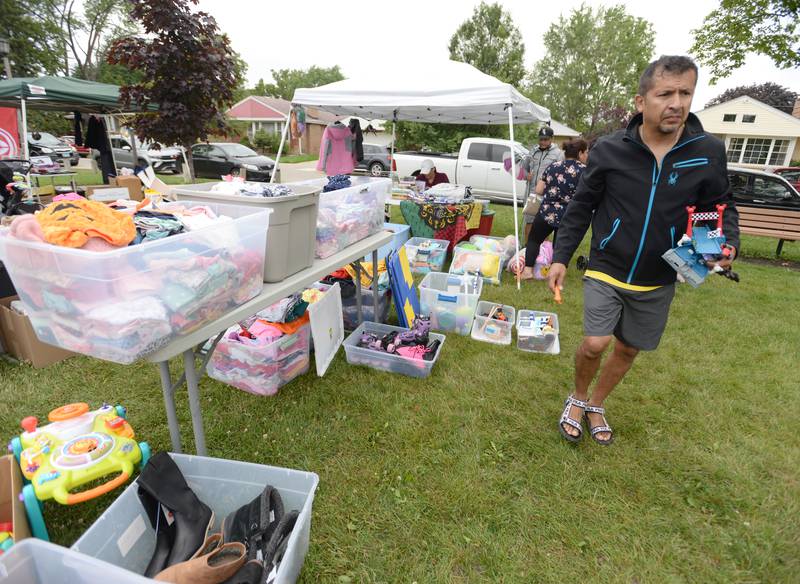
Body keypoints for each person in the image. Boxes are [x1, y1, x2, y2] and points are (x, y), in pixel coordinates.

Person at [547, 55, 739, 446]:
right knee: (595, 342)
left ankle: (597, 404)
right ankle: (578, 397)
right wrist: (561, 257)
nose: (677, 103)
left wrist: (721, 245)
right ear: (641, 102)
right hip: (606, 264)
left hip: (659, 274)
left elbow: (715, 206)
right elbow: (582, 205)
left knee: (630, 347)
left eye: (685, 93)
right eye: (665, 93)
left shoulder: (707, 151)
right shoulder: (609, 149)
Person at [520, 138, 588, 280]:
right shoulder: (584, 171)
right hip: (568, 215)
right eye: (586, 152)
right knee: (560, 245)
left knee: (534, 240)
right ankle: (555, 273)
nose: (587, 156)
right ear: (580, 153)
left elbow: (538, 189)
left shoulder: (552, 166)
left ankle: (527, 271)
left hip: (546, 212)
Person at [523, 126, 564, 240]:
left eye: (546, 139)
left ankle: (543, 253)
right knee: (530, 222)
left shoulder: (558, 154)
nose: (543, 142)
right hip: (532, 194)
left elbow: (561, 175)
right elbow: (523, 169)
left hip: (548, 195)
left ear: (552, 139)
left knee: (544, 225)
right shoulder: (532, 152)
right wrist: (527, 175)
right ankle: (527, 250)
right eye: (541, 139)